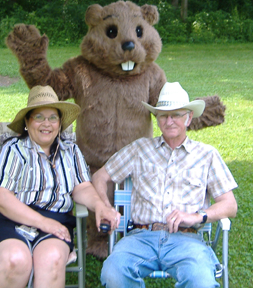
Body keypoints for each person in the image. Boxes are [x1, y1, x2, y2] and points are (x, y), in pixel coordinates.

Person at [92, 82, 238, 288]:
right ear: (157, 119)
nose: (169, 121)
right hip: (140, 238)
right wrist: (106, 207)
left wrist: (197, 216)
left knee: (201, 281)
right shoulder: (139, 149)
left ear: (188, 118)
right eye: (163, 115)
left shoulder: (207, 155)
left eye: (176, 114)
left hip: (187, 240)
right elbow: (99, 177)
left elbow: (229, 205)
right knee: (113, 273)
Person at [0, 85, 120, 288]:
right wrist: (43, 223)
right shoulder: (13, 150)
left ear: (60, 123)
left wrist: (100, 206)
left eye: (53, 117)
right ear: (27, 122)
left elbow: (82, 188)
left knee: (51, 259)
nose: (47, 123)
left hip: (56, 222)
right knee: (15, 260)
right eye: (39, 117)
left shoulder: (71, 151)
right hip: (6, 221)